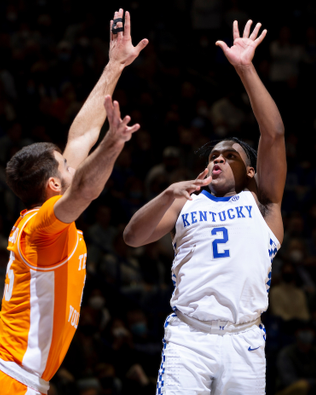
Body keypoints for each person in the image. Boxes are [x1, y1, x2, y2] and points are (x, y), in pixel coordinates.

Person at [0, 9, 148, 395]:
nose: (74, 161)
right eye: (66, 165)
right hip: (8, 381)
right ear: (54, 184)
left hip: (10, 377)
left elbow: (81, 132)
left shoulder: (42, 218)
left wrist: (114, 66)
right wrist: (113, 145)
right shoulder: (43, 227)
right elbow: (86, 189)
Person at [123, 20, 287, 395]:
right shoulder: (185, 201)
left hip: (244, 339)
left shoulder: (262, 203)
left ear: (249, 171)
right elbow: (132, 237)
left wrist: (245, 69)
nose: (218, 159)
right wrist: (168, 194)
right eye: (213, 155)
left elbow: (274, 134)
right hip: (189, 337)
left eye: (230, 156)